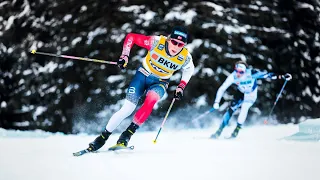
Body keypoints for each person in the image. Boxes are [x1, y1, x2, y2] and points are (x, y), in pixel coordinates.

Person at [87, 26, 195, 151]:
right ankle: (102, 138)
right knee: (127, 109)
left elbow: (189, 70)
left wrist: (181, 87)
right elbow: (131, 37)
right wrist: (125, 56)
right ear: (169, 39)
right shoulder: (156, 42)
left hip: (160, 82)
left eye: (180, 44)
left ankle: (126, 136)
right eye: (174, 42)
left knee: (151, 100)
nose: (176, 47)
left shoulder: (185, 57)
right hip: (142, 76)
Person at [210, 61, 292, 139]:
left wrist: (282, 76)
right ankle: (219, 131)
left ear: (245, 71)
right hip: (241, 93)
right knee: (231, 110)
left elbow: (267, 75)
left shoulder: (252, 73)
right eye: (237, 71)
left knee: (244, 108)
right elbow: (222, 88)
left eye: (241, 72)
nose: (238, 74)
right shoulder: (232, 76)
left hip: (251, 94)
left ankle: (236, 130)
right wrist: (216, 102)